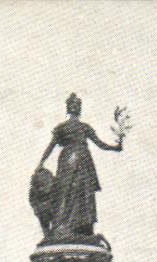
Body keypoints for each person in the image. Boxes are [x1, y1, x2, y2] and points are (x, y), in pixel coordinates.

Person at [32, 94, 124, 242]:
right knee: (78, 192)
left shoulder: (65, 128)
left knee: (70, 192)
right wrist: (116, 147)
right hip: (80, 160)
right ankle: (74, 227)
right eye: (74, 106)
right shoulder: (80, 127)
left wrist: (40, 163)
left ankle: (71, 227)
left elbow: (50, 147)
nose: (75, 108)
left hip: (73, 162)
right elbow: (100, 144)